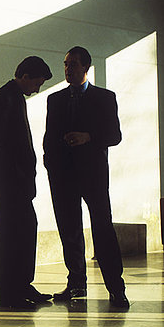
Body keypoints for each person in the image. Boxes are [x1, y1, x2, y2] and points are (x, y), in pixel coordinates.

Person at [43, 46, 129, 308]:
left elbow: (115, 135)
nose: (68, 69)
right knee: (69, 232)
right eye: (66, 64)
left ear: (86, 68)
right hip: (62, 177)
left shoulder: (104, 97)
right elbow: (49, 138)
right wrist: (50, 166)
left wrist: (88, 137)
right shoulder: (54, 100)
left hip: (93, 176)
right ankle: (76, 284)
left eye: (73, 64)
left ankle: (116, 288)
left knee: (103, 229)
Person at [0, 56, 53, 309]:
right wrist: (3, 180)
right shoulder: (4, 98)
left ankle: (21, 286)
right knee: (8, 237)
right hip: (10, 184)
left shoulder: (13, 98)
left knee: (23, 231)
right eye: (37, 82)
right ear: (25, 76)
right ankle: (8, 294)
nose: (37, 89)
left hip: (17, 185)